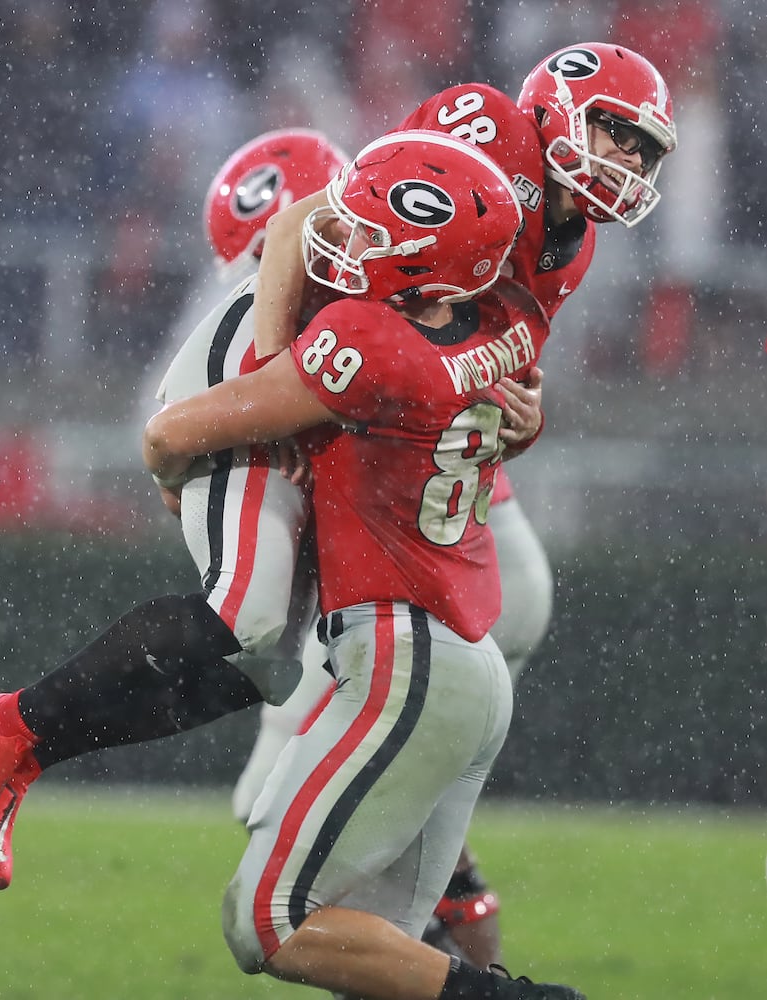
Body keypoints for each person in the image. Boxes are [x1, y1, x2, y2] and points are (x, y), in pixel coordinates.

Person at [0, 128, 542, 895]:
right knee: (243, 615)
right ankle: (9, 730)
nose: (341, 243)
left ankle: (27, 748)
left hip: (299, 380)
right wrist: (194, 455)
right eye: (336, 222)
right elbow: (167, 433)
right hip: (252, 378)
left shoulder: (433, 290)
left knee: (265, 670)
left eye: (360, 225)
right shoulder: (338, 296)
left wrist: (521, 412)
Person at [248, 41, 678, 967]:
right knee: (249, 627)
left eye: (644, 151)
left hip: (402, 483)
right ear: (559, 106)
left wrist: (520, 412)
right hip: (329, 399)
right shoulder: (481, 126)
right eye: (617, 132)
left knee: (327, 869)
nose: (629, 163)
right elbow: (321, 235)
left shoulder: (577, 243)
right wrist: (273, 376)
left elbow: (487, 374)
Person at [143, 129, 582, 1000]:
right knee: (385, 937)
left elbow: (171, 433)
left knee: (268, 907)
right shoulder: (493, 328)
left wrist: (191, 460)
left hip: (406, 643)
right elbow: (515, 412)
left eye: (363, 232)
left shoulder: (359, 340)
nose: (345, 248)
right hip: (470, 631)